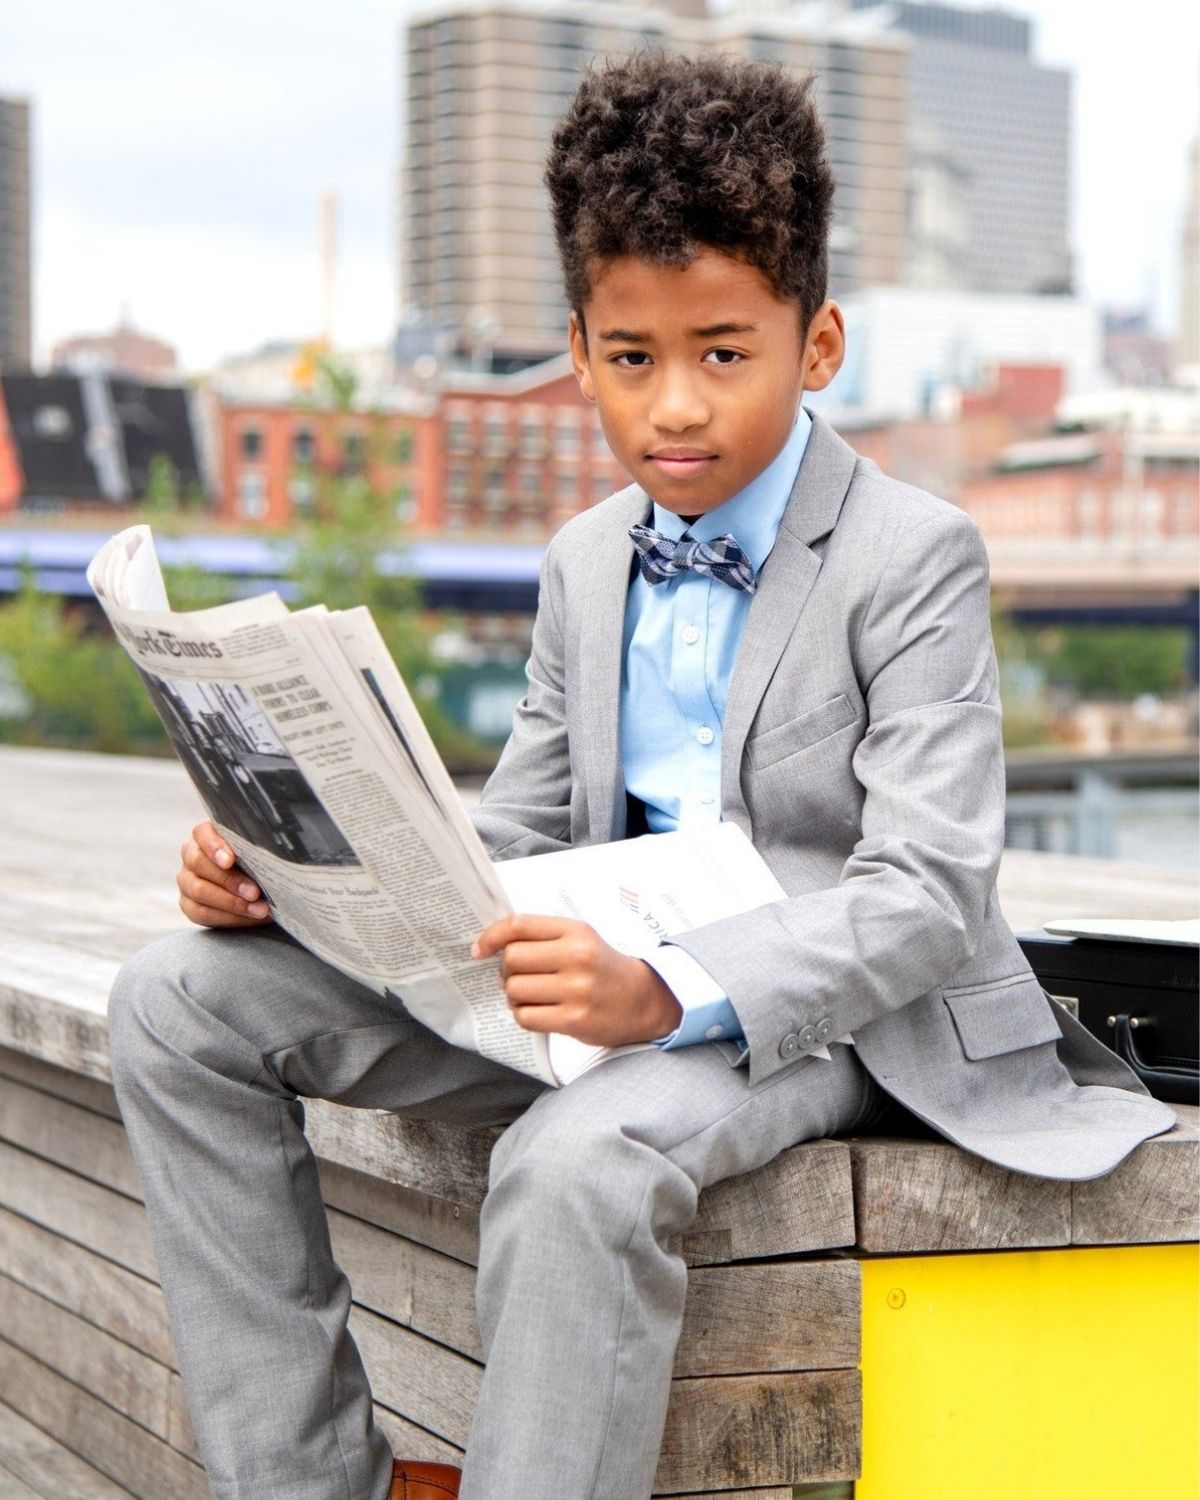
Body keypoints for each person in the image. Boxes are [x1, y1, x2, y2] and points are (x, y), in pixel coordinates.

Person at [108, 51, 1175, 1500]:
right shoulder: (584, 559)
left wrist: (672, 994)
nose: (673, 406)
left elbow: (926, 893)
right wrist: (291, 877)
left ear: (817, 345)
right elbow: (521, 837)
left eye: (722, 353)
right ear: (582, 345)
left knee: (575, 1161)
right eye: (630, 358)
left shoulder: (912, 554)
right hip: (594, 989)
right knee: (176, 1002)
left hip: (820, 1019)